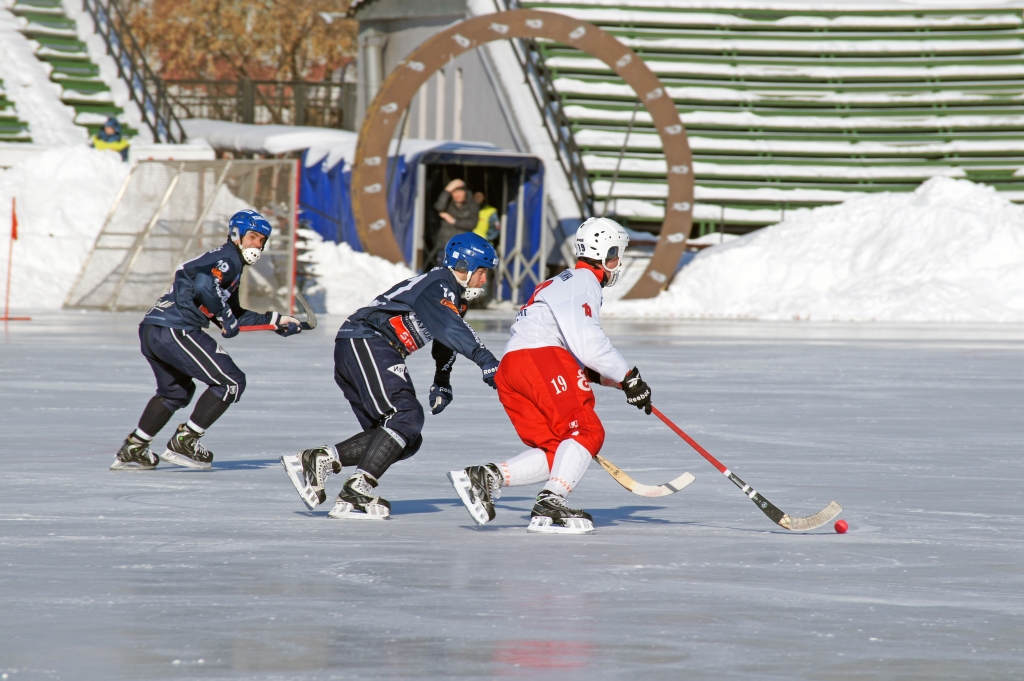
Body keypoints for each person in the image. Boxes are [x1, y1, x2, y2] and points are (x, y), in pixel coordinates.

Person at [448, 217, 652, 535]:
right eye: (614, 257)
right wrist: (629, 376)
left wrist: (615, 381)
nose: (616, 265)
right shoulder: (585, 282)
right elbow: (587, 343)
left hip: (513, 368)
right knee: (585, 430)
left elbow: (571, 348)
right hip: (539, 359)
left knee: (557, 448)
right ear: (602, 254)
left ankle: (485, 477)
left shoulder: (560, 281)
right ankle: (551, 501)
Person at [281, 232, 501, 521]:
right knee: (406, 415)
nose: (484, 281)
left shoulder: (450, 295)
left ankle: (321, 461)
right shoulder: (440, 284)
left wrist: (442, 381)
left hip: (364, 346)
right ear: (465, 266)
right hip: (368, 341)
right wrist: (486, 360)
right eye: (482, 272)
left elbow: (444, 337)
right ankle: (357, 489)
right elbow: (451, 329)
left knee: (404, 438)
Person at [110, 210, 303, 471]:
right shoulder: (228, 259)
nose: (257, 244)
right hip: (176, 329)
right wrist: (224, 317)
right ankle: (185, 441)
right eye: (253, 237)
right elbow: (205, 287)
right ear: (237, 235)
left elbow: (233, 312)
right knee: (231, 381)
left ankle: (135, 447)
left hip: (153, 328)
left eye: (262, 240)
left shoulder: (228, 262)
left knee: (175, 392)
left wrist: (276, 321)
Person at [433, 179, 479, 260]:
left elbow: (472, 223)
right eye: (454, 192)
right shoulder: (448, 204)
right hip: (445, 245)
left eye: (460, 191)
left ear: (465, 192)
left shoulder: (472, 205)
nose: (457, 195)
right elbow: (438, 207)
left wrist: (453, 221)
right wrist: (447, 189)